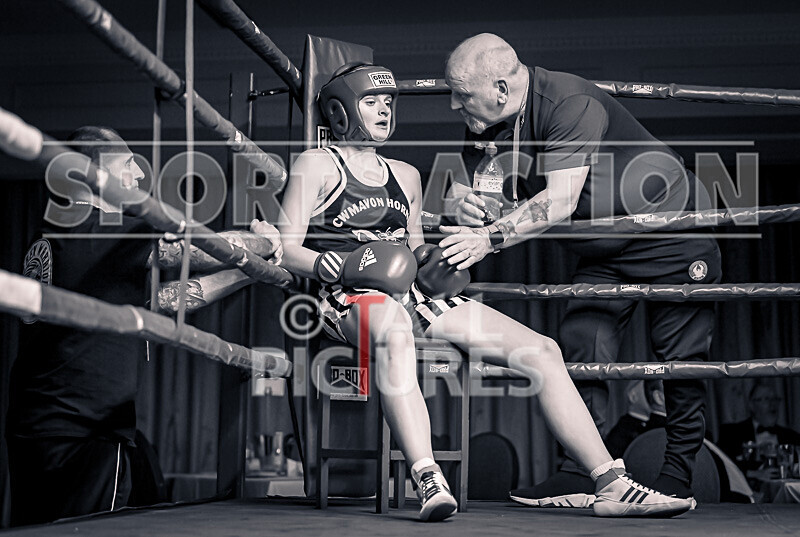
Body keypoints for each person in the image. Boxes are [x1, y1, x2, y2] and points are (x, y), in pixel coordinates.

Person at [279, 62, 693, 521]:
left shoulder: (407, 175)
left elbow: (414, 249)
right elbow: (285, 248)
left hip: (410, 296)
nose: (382, 111)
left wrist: (434, 264)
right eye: (370, 102)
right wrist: (323, 263)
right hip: (347, 296)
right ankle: (428, 477)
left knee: (542, 349)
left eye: (388, 101)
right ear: (340, 112)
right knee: (395, 329)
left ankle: (609, 481)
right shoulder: (316, 164)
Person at [439, 33, 722, 506]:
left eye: (462, 94)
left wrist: (487, 238)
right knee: (583, 343)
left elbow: (559, 201)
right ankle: (579, 471)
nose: (451, 104)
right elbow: (474, 189)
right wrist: (463, 204)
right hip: (605, 251)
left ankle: (677, 477)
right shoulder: (483, 120)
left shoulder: (567, 102)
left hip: (672, 235)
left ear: (503, 89)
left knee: (680, 363)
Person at [6, 126, 280, 526]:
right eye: (128, 165)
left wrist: (251, 274)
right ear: (90, 174)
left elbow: (172, 299)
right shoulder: (100, 227)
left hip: (41, 427)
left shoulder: (69, 238)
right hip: (85, 433)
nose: (138, 177)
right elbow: (194, 249)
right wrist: (264, 241)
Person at [717, 382, 800, 471]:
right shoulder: (731, 433)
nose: (772, 404)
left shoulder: (792, 436)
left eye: (775, 399)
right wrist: (753, 474)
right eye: (766, 399)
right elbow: (723, 466)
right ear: (752, 405)